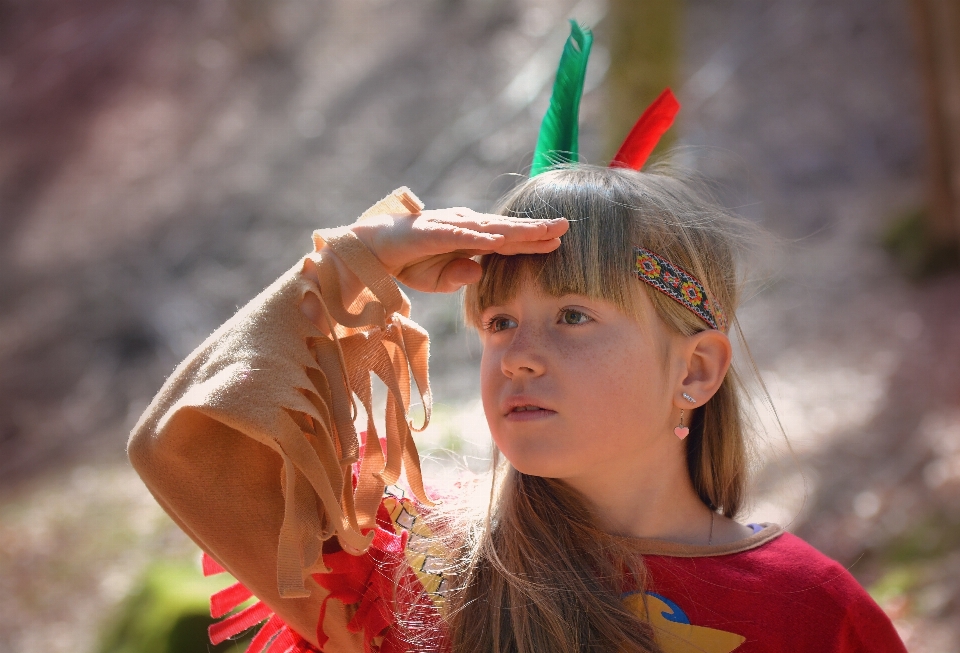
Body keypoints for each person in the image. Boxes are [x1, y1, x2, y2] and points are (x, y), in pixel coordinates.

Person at [127, 23, 907, 653]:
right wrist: (352, 263)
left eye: (573, 316)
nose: (518, 355)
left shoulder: (816, 616)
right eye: (499, 322)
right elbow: (179, 443)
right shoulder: (417, 575)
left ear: (695, 371)